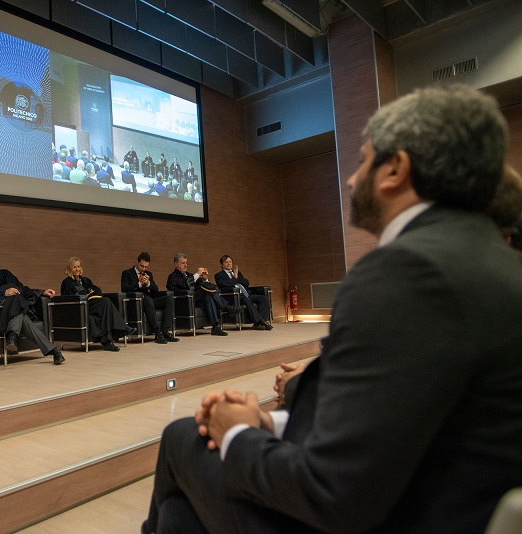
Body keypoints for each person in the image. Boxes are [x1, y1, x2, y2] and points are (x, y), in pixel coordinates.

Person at [145, 85, 522, 533]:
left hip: (387, 516)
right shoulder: (492, 265)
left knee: (181, 439)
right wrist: (270, 420)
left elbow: (332, 493)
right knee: (180, 514)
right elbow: (398, 419)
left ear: (395, 169)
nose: (350, 179)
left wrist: (239, 434)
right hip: (440, 494)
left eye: (362, 160)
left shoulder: (408, 271)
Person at [0, 248, 65, 365]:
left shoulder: (4, 274)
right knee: (16, 300)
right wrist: (3, 293)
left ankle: (13, 337)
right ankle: (53, 351)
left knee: (16, 298)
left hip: (12, 312)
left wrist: (41, 292)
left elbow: (22, 288)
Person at [60, 257, 135, 352]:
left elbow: (98, 290)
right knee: (106, 302)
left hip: (93, 303)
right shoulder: (67, 282)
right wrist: (84, 295)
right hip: (81, 307)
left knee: (106, 304)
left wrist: (92, 292)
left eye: (78, 266)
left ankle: (108, 342)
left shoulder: (86, 280)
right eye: (74, 267)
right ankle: (123, 328)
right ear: (70, 268)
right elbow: (67, 299)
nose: (77, 269)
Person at [166, 253, 243, 337]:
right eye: (182, 263)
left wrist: (205, 278)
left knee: (209, 297)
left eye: (186, 263)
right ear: (176, 264)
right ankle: (227, 307)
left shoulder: (189, 275)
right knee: (207, 292)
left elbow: (207, 285)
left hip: (199, 299)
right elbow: (185, 284)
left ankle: (215, 327)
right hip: (185, 301)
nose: (185, 265)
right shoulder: (173, 276)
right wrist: (197, 275)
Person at [121, 252, 180, 345]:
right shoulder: (127, 273)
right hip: (137, 302)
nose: (143, 269)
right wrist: (140, 283)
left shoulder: (148, 274)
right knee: (148, 300)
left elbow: (155, 290)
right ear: (137, 262)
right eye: (142, 266)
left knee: (168, 299)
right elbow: (125, 289)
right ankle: (157, 333)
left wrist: (148, 283)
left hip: (149, 301)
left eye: (146, 267)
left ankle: (165, 331)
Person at [214, 255, 272, 330]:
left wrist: (237, 277)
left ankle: (258, 323)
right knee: (246, 300)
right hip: (234, 296)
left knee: (263, 298)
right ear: (222, 265)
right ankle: (261, 321)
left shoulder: (237, 273)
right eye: (226, 262)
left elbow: (246, 283)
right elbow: (224, 285)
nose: (229, 264)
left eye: (230, 262)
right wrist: (234, 278)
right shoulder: (219, 275)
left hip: (246, 294)